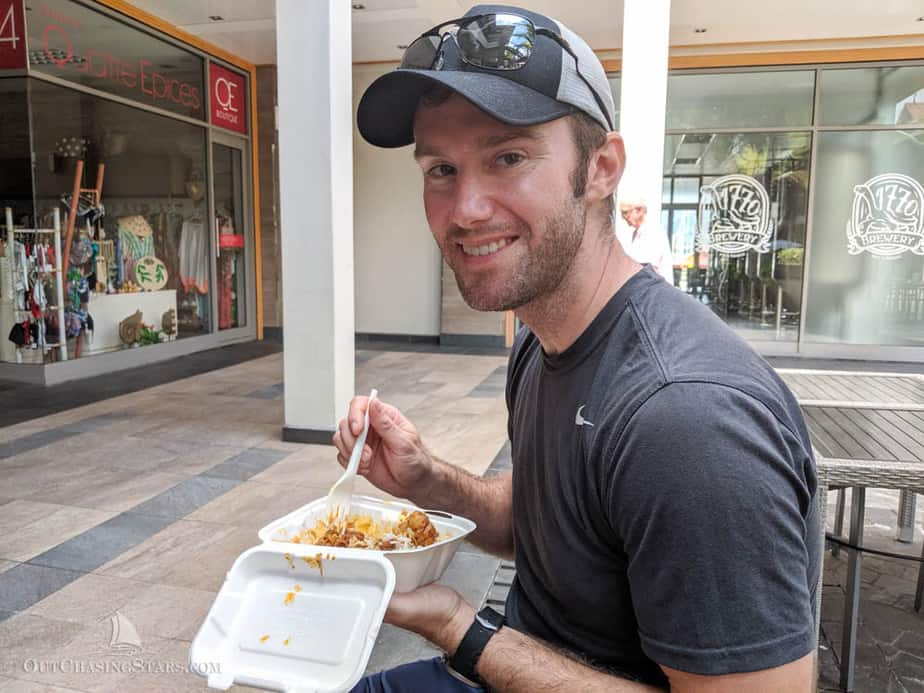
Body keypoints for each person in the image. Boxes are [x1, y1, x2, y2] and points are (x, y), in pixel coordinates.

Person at [335, 5, 820, 692]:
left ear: (601, 168)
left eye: (508, 156)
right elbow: (540, 524)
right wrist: (427, 481)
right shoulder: (541, 335)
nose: (466, 208)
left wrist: (460, 630)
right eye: (441, 169)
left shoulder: (687, 422)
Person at [617, 193, 674, 284]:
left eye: (625, 212)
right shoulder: (636, 233)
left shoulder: (653, 231)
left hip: (655, 293)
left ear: (639, 210)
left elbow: (645, 269)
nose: (623, 218)